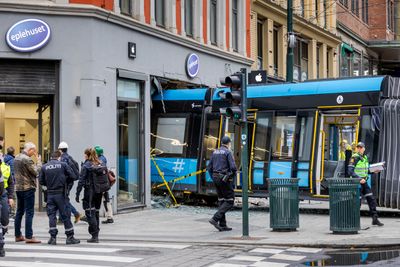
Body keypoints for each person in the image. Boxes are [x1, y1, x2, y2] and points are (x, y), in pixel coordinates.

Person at [39, 151, 80, 245]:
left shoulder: (44, 167)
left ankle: (53, 238)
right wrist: (65, 181)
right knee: (65, 215)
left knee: (52, 216)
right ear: (59, 157)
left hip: (50, 194)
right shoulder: (63, 165)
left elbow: (41, 181)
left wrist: (49, 184)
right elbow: (73, 176)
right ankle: (70, 237)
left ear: (51, 157)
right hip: (61, 194)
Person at [348, 142, 384, 226]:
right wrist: (359, 179)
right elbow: (350, 171)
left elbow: (365, 170)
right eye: (358, 147)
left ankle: (375, 219)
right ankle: (353, 222)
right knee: (357, 202)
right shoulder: (354, 158)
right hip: (356, 183)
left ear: (364, 149)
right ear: (356, 149)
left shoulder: (364, 158)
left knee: (371, 200)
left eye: (361, 147)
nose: (359, 149)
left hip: (364, 182)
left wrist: (373, 171)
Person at [207, 136, 237, 232]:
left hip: (216, 177)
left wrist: (213, 177)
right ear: (228, 143)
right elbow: (233, 167)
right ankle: (215, 218)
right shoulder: (228, 152)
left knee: (222, 200)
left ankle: (223, 224)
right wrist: (232, 176)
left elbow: (209, 167)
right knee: (230, 200)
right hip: (224, 179)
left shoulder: (215, 152)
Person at [14, 142, 42, 243]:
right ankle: (29, 236)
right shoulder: (27, 159)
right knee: (29, 212)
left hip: (18, 188)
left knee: (19, 212)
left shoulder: (16, 157)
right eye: (33, 151)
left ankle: (17, 235)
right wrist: (38, 161)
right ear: (30, 150)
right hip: (28, 188)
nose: (34, 153)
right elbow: (36, 171)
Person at [76, 148, 105, 243]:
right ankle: (96, 233)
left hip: (90, 192)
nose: (84, 156)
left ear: (87, 155)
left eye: (85, 154)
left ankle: (94, 235)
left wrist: (77, 193)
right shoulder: (99, 163)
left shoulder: (86, 165)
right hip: (99, 192)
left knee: (89, 212)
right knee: (96, 212)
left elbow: (81, 181)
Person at [58, 141, 81, 224]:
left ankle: (76, 213)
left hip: (66, 182)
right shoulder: (69, 157)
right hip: (69, 182)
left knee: (64, 199)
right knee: (63, 199)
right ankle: (62, 219)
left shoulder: (63, 159)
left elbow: (63, 171)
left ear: (60, 150)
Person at [95, 145, 113, 224]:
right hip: (105, 183)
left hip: (102, 183)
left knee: (105, 199)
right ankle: (110, 216)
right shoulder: (103, 158)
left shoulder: (100, 160)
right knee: (106, 199)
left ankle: (109, 217)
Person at [1, 147, 15, 240]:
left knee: (5, 216)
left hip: (3, 194)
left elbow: (10, 183)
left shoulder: (6, 167)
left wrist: (11, 197)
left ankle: (4, 231)